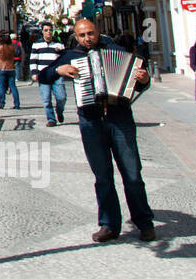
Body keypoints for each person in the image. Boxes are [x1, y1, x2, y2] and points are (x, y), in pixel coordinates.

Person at [38, 18, 154, 243]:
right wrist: (59, 70)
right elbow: (44, 76)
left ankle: (144, 222)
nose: (87, 39)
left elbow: (138, 83)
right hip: (91, 121)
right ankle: (109, 224)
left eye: (90, 33)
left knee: (132, 175)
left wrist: (144, 79)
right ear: (76, 36)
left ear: (97, 32)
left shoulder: (116, 50)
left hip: (119, 119)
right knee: (102, 176)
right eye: (81, 35)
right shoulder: (72, 56)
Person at [29, 23, 66, 126]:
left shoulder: (59, 44)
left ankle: (59, 111)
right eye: (46, 30)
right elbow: (33, 60)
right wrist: (34, 73)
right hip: (43, 74)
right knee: (46, 99)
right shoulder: (36, 44)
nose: (48, 32)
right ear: (42, 32)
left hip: (57, 74)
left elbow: (64, 59)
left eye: (50, 30)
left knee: (61, 97)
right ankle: (51, 119)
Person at [0, 31, 20, 110]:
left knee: (2, 86)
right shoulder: (12, 46)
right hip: (11, 68)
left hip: (1, 68)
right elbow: (15, 55)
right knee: (13, 86)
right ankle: (17, 104)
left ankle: (2, 103)